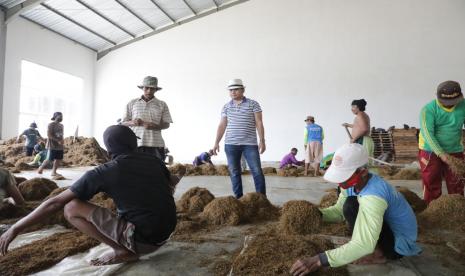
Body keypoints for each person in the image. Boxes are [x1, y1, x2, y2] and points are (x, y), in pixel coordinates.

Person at [0, 125, 179, 265]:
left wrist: (16, 228)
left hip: (143, 242)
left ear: (108, 152)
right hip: (167, 232)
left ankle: (122, 250)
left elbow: (55, 203)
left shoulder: (105, 171)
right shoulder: (155, 161)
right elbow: (172, 181)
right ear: (134, 145)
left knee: (71, 207)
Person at [290, 144, 421, 275]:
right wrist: (317, 214)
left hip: (397, 244)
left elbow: (364, 244)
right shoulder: (353, 184)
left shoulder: (374, 195)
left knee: (352, 205)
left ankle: (380, 253)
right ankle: (373, 247)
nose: (340, 183)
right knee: (350, 204)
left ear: (363, 172)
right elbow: (339, 211)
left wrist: (320, 260)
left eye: (344, 177)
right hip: (385, 228)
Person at [212, 79, 266, 198]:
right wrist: (216, 143)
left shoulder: (253, 104)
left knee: (256, 171)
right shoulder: (226, 107)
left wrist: (262, 141)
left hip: (250, 144)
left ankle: (261, 199)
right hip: (230, 144)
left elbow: (259, 122)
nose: (233, 92)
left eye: (236, 89)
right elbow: (222, 125)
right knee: (234, 172)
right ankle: (239, 198)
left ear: (243, 90)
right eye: (231, 90)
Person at [418, 80, 465, 203]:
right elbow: (428, 134)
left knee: (457, 180)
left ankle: (457, 207)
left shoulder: (463, 106)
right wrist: (441, 154)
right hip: (430, 150)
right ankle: (432, 209)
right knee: (431, 180)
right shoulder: (428, 110)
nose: (449, 105)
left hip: (454, 149)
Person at [122, 76, 173, 161]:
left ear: (156, 90)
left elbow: (167, 124)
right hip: (136, 144)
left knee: (156, 171)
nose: (149, 91)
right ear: (142, 88)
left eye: (152, 88)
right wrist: (133, 122)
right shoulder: (132, 103)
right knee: (136, 171)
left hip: (156, 145)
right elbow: (123, 123)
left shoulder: (162, 104)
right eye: (147, 88)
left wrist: (156, 126)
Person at [38, 112, 64, 176]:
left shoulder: (61, 125)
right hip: (51, 145)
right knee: (49, 159)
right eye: (59, 116)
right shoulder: (51, 124)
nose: (61, 117)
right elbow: (49, 135)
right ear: (55, 116)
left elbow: (61, 134)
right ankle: (41, 167)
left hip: (60, 145)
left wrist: (62, 141)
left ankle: (54, 172)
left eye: (61, 116)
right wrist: (57, 140)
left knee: (58, 159)